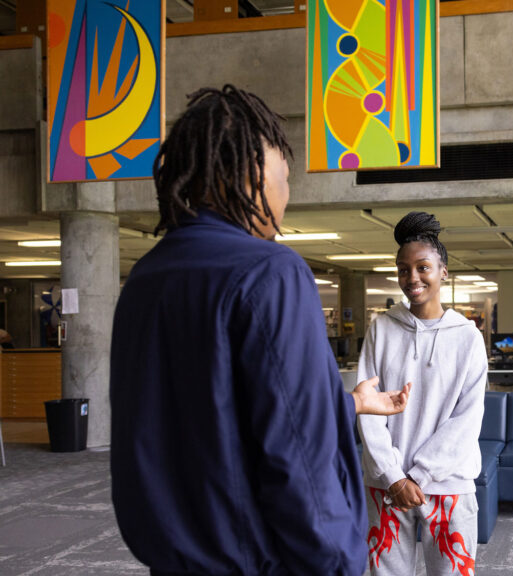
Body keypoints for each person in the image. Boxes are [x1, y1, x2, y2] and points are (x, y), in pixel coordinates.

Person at [110, 85, 410, 576]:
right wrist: (340, 563)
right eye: (285, 177)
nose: (287, 195)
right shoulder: (270, 272)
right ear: (251, 172)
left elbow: (208, 416)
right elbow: (299, 458)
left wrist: (348, 402)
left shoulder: (145, 278)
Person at [358, 211, 487, 576]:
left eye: (423, 267)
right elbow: (367, 406)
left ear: (443, 271)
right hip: (387, 485)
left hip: (449, 484)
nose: (412, 278)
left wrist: (419, 476)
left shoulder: (467, 337)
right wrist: (394, 477)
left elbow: (468, 417)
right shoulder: (380, 329)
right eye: (403, 269)